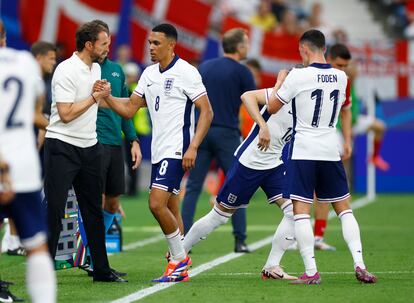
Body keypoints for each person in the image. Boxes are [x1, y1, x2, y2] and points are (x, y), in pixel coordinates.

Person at [95, 23, 213, 283]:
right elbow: (129, 109)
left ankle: (179, 259)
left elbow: (207, 111)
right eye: (149, 43)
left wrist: (193, 146)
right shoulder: (148, 74)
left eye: (156, 43)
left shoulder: (187, 72)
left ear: (171, 45)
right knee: (172, 206)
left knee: (155, 204)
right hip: (160, 152)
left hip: (177, 149)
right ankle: (178, 262)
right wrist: (106, 97)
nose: (150, 47)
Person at [266, 29, 377, 284]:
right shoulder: (341, 77)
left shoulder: (297, 76)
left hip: (303, 148)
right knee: (344, 208)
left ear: (304, 50)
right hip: (330, 147)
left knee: (301, 210)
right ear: (324, 49)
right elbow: (345, 109)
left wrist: (281, 81)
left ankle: (311, 272)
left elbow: (272, 107)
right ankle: (360, 264)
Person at [183, 83, 298, 280]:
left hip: (274, 165)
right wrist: (263, 126)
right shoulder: (281, 94)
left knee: (295, 211)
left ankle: (272, 266)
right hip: (250, 164)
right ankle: (179, 254)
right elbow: (246, 96)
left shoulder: (309, 106)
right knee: (219, 216)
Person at [43, 21, 126, 282]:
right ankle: (43, 271)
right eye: (104, 43)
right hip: (62, 146)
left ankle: (101, 270)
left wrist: (134, 102)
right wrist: (94, 97)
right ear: (89, 45)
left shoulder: (97, 67)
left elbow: (97, 105)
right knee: (54, 210)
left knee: (93, 210)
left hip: (90, 147)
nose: (107, 48)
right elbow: (66, 114)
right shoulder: (66, 70)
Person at [181, 28, 256, 253]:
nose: (248, 47)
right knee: (237, 184)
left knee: (193, 187)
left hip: (202, 132)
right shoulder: (243, 72)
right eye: (246, 43)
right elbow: (254, 103)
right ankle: (240, 240)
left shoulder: (204, 67)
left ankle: (184, 240)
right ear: (240, 46)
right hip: (227, 134)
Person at [0, 18, 56, 302]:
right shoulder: (24, 62)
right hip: (24, 166)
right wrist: (44, 126)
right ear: (4, 38)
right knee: (36, 245)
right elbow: (35, 104)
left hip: (5, 166)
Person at [312, 43, 353, 251]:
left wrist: (347, 140)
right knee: (295, 191)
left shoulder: (344, 81)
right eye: (339, 65)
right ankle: (292, 236)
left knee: (325, 191)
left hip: (329, 138)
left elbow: (346, 111)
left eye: (346, 66)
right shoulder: (311, 75)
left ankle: (317, 237)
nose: (342, 70)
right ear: (329, 59)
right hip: (302, 137)